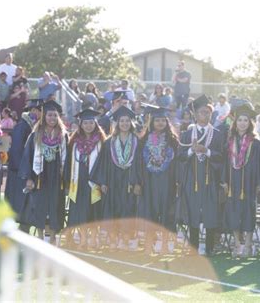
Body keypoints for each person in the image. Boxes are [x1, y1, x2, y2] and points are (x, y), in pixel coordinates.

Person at [177, 95, 224, 256]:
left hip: (210, 178)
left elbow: (222, 157)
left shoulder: (217, 134)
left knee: (210, 211)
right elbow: (180, 156)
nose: (206, 115)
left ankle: (210, 247)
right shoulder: (187, 134)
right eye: (202, 112)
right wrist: (192, 150)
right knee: (193, 211)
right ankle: (194, 247)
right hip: (192, 178)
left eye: (208, 112)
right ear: (195, 114)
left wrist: (207, 151)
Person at [90, 106, 142, 251]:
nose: (124, 123)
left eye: (127, 121)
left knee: (128, 210)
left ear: (131, 123)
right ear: (117, 123)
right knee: (112, 210)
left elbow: (140, 164)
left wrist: (138, 182)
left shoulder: (137, 142)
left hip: (129, 182)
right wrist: (103, 182)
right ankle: (113, 240)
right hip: (112, 181)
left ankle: (125, 240)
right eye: (121, 121)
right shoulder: (109, 142)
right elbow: (103, 163)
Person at [19, 100, 68, 244]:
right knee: (39, 205)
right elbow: (27, 156)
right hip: (39, 175)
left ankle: (52, 236)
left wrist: (66, 179)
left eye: (55, 116)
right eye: (49, 115)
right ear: (44, 117)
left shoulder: (63, 136)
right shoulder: (36, 135)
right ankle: (40, 236)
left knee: (55, 205)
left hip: (56, 177)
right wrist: (28, 178)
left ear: (58, 117)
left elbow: (68, 159)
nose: (52, 118)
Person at [221, 104, 260, 258]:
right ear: (235, 122)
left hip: (249, 182)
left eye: (246, 120)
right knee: (233, 212)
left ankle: (248, 244)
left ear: (250, 123)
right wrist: (224, 181)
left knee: (248, 212)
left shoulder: (256, 143)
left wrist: (259, 182)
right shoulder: (229, 141)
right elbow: (225, 163)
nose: (242, 123)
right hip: (233, 182)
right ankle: (237, 244)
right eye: (240, 120)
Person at [64, 108, 106, 250]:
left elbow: (104, 164)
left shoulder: (101, 142)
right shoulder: (74, 142)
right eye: (86, 123)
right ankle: (82, 239)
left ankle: (93, 239)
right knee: (80, 211)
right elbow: (69, 163)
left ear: (96, 124)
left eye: (91, 123)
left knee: (94, 210)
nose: (89, 125)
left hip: (95, 182)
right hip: (78, 181)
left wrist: (102, 181)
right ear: (81, 125)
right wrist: (67, 181)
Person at [140, 105, 179, 254]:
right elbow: (140, 162)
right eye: (157, 120)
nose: (160, 123)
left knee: (165, 211)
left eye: (163, 120)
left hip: (167, 181)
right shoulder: (144, 140)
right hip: (149, 181)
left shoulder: (172, 141)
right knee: (150, 211)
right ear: (152, 122)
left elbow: (176, 162)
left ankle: (163, 244)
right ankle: (149, 243)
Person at [4, 99, 43, 232]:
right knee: (20, 203)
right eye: (40, 111)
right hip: (20, 172)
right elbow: (16, 151)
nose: (41, 114)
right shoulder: (23, 126)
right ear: (32, 111)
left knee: (26, 204)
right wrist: (24, 171)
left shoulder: (31, 126)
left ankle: (23, 228)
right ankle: (20, 230)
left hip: (25, 171)